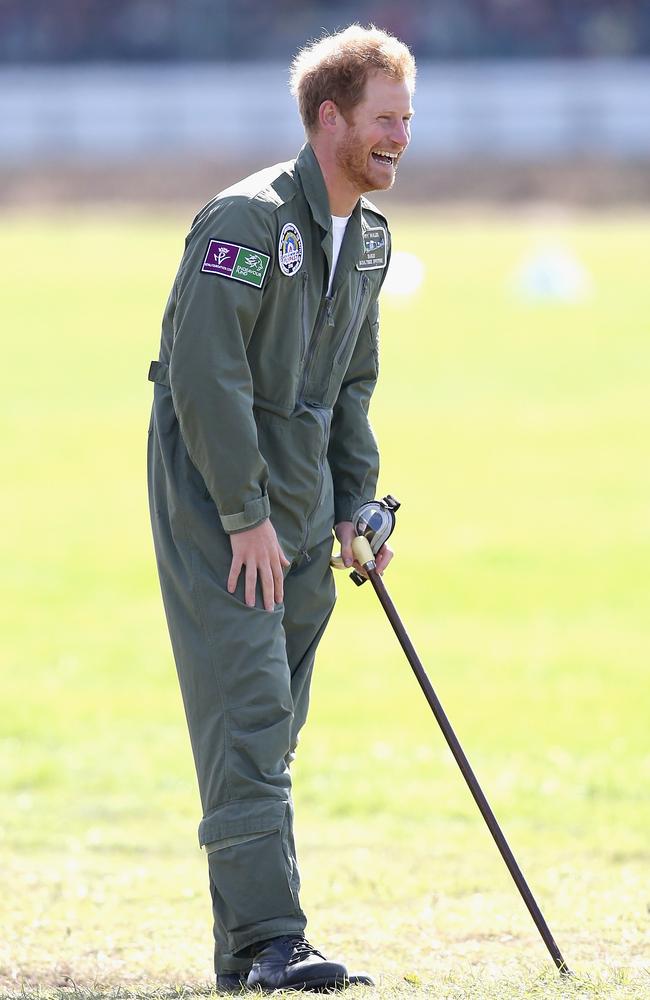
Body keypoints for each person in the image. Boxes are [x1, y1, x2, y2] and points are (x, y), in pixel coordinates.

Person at [147, 23, 415, 993]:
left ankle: (243, 952)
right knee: (253, 718)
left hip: (301, 506)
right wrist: (242, 512)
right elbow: (204, 378)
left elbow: (350, 387)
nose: (399, 136)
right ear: (327, 117)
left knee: (270, 725)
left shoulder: (372, 240)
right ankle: (273, 939)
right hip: (223, 502)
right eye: (383, 119)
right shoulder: (245, 222)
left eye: (407, 120)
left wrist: (353, 506)